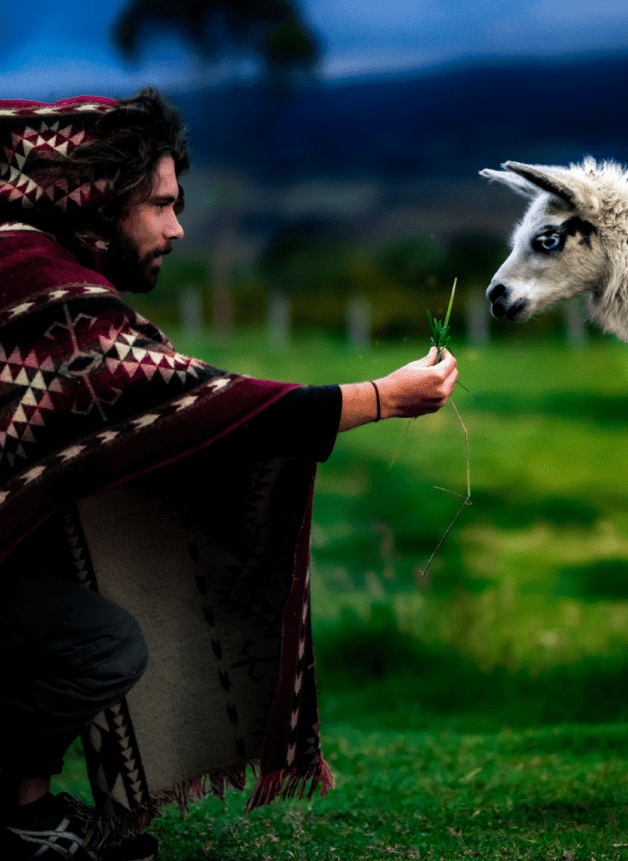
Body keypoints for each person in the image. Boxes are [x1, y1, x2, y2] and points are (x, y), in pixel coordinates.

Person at [0, 89, 457, 861]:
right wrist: (381, 398)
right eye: (160, 205)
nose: (176, 228)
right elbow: (186, 400)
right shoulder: (38, 282)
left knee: (61, 575)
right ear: (99, 197)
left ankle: (23, 814)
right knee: (97, 643)